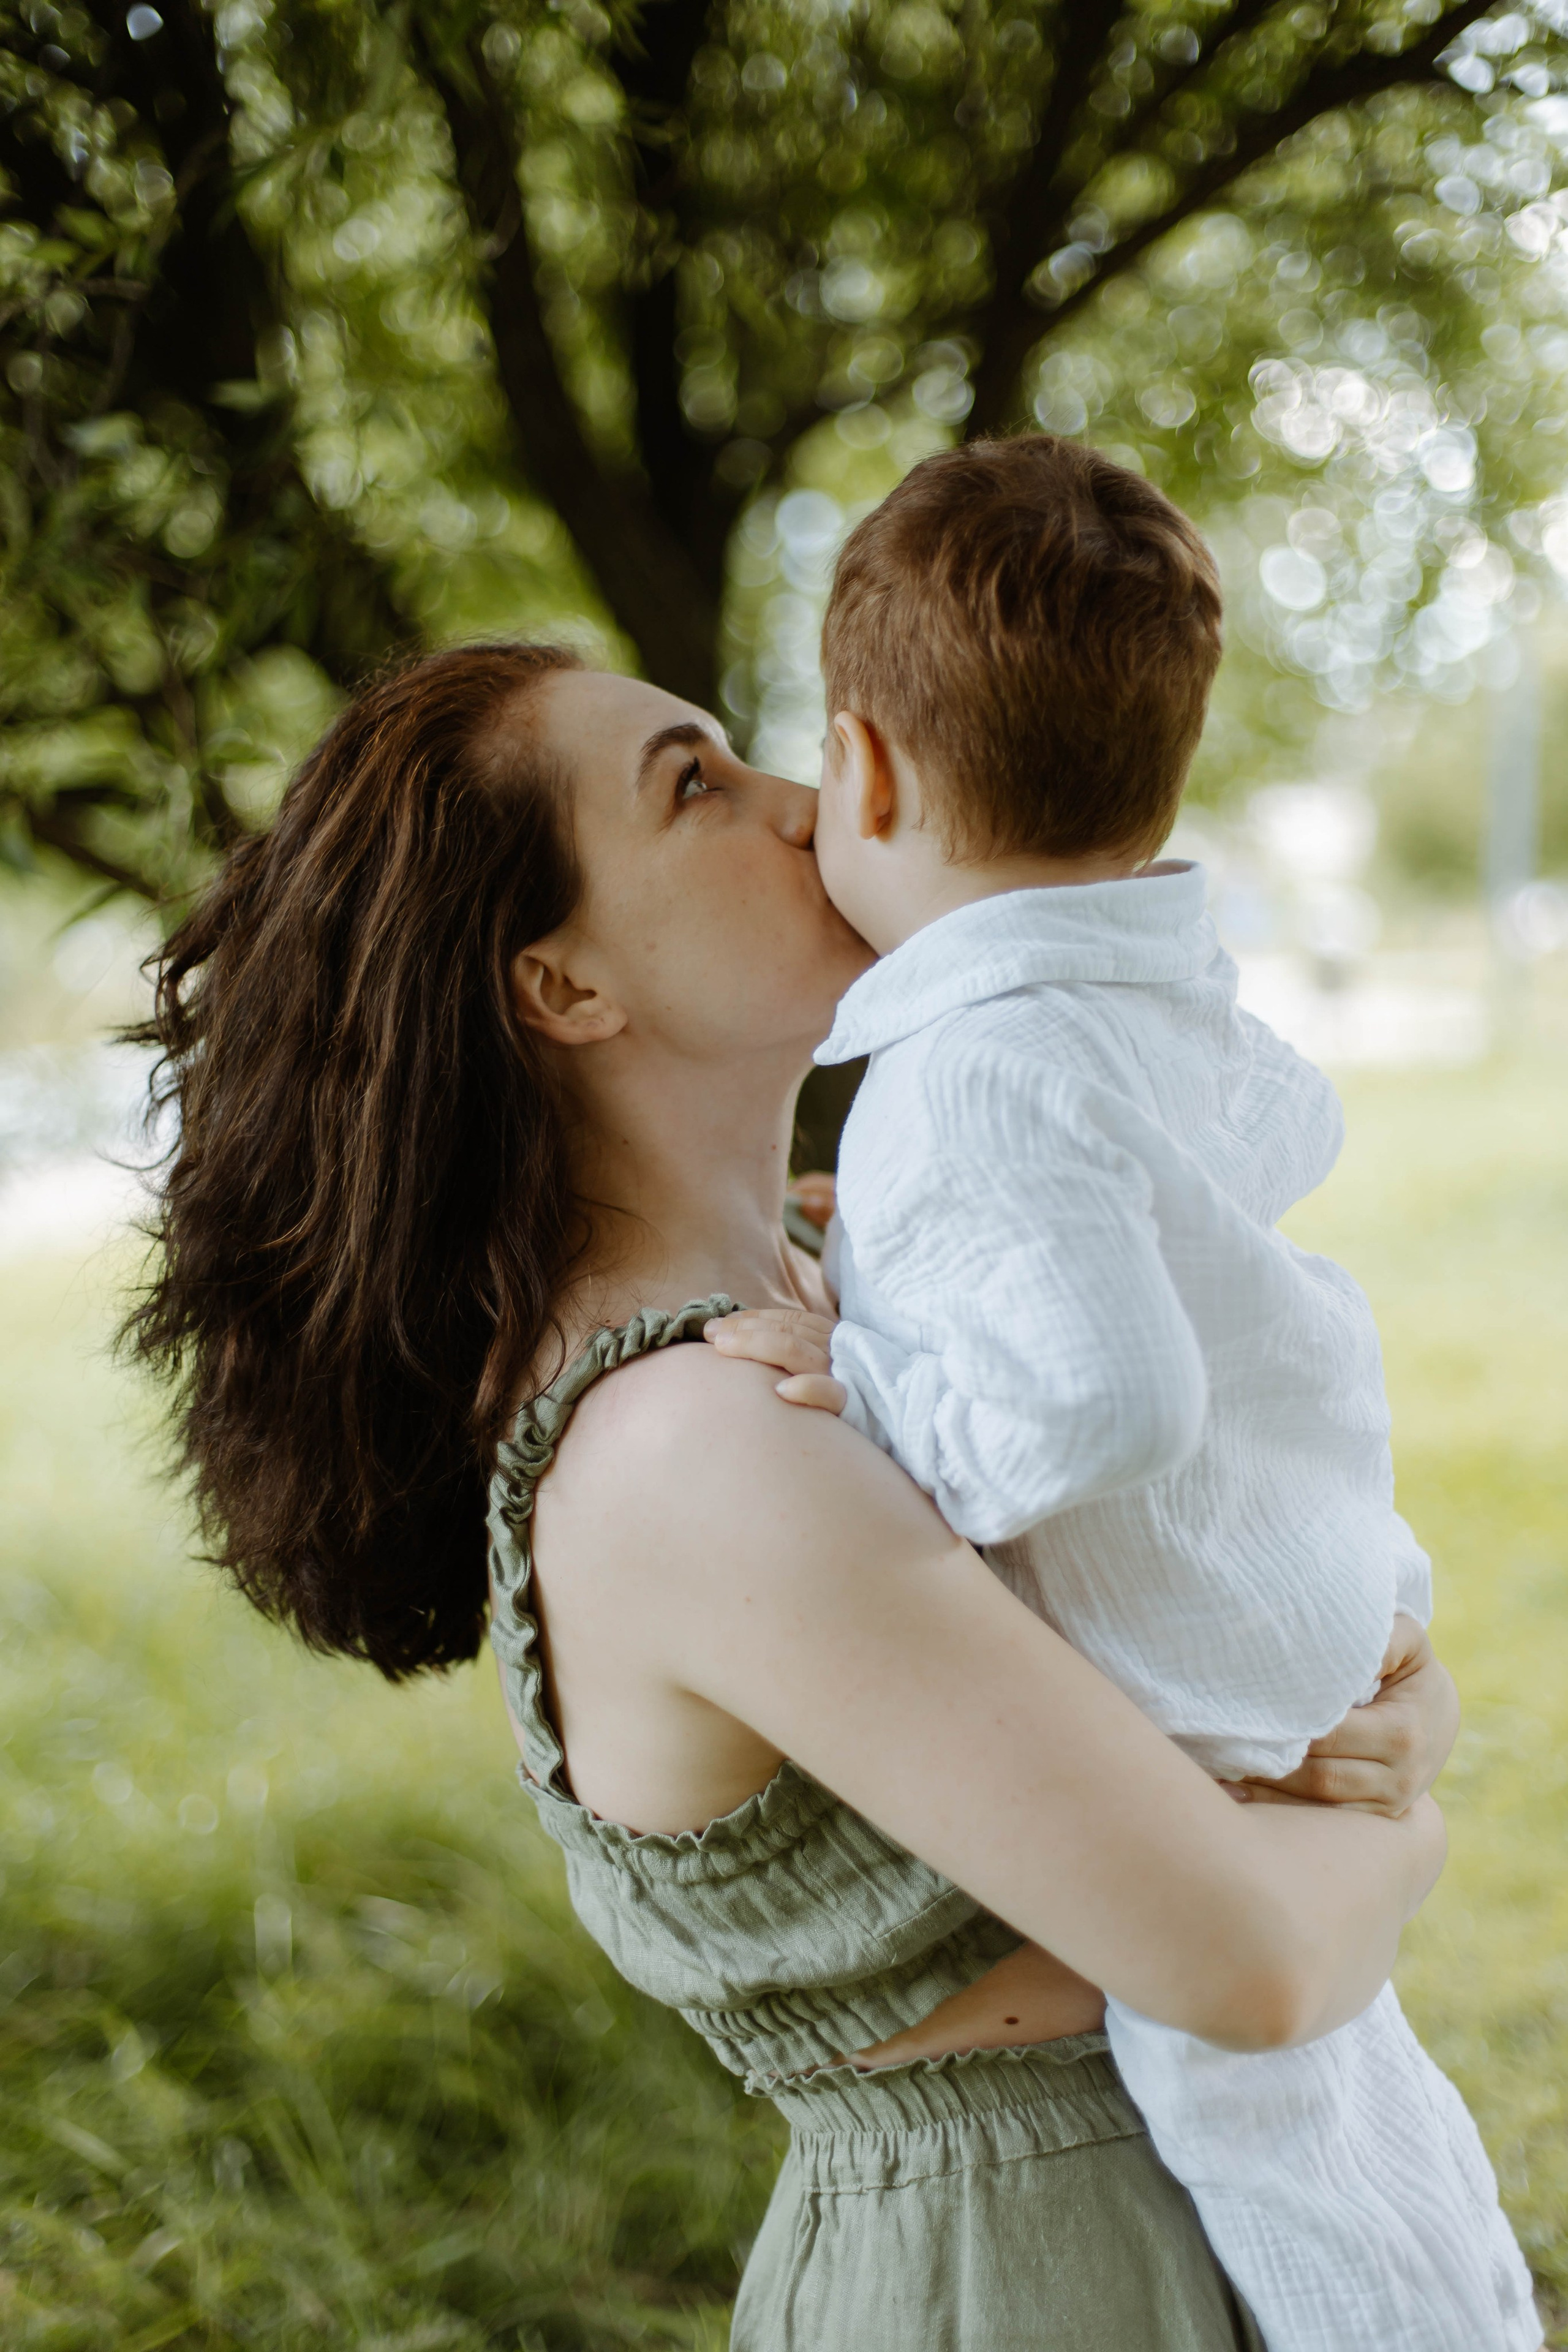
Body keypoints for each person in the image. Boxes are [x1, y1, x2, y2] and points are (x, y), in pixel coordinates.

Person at [130, 640, 1466, 2351]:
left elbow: (1253, 1554)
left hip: (1210, 2211)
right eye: (695, 784)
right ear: (563, 986)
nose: (808, 800)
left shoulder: (853, 1292)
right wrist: (1402, 1828)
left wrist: (1392, 1709)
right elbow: (1254, 1965)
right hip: (1045, 2281)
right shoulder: (689, 1445)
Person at [707, 439, 1539, 2352]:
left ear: (869, 772)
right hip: (1304, 1597)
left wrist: (876, 1370)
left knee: (1281, 2146)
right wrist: (912, 1257)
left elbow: (1097, 1409)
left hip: (1208, 1682)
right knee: (1364, 2120)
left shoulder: (967, 1069)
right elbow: (1251, 1144)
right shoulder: (1139, 1003)